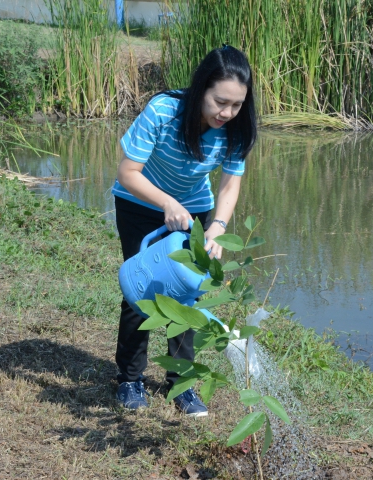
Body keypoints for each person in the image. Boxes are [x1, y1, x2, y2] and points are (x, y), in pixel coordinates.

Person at [112, 45, 257, 415]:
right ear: (201, 89)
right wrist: (166, 202)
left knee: (188, 295)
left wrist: (217, 227)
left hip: (193, 208)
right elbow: (128, 173)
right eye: (220, 102)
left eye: (236, 105)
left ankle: (181, 384)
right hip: (140, 202)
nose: (227, 113)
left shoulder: (236, 128)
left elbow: (230, 184)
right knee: (145, 288)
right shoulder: (163, 110)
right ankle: (130, 378)